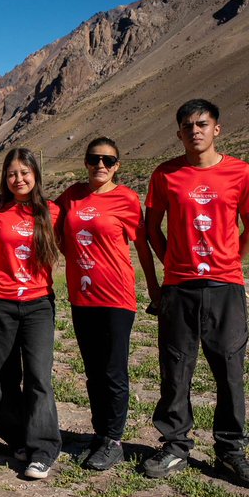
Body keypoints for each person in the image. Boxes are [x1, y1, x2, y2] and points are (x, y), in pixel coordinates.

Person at [143, 99, 249, 489]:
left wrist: (227, 264)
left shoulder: (240, 173)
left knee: (229, 369)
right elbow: (152, 229)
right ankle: (176, 444)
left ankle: (231, 451)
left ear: (217, 129)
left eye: (202, 123)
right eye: (186, 126)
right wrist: (171, 265)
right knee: (176, 368)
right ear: (178, 133)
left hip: (225, 287)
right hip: (179, 288)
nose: (194, 130)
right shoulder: (165, 175)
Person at [56, 137, 160, 471]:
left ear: (117, 165)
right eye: (93, 159)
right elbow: (46, 217)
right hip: (82, 297)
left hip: (116, 297)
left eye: (108, 160)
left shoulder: (127, 199)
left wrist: (155, 289)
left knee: (114, 371)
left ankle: (114, 439)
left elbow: (142, 247)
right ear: (85, 162)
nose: (100, 165)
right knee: (93, 371)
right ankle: (101, 434)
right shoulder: (72, 195)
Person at [0, 147, 62, 480]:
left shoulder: (52, 212)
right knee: (2, 374)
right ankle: (16, 437)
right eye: (12, 173)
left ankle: (43, 448)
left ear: (35, 175)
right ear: (5, 178)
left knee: (38, 376)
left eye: (25, 173)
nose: (18, 179)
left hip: (38, 304)